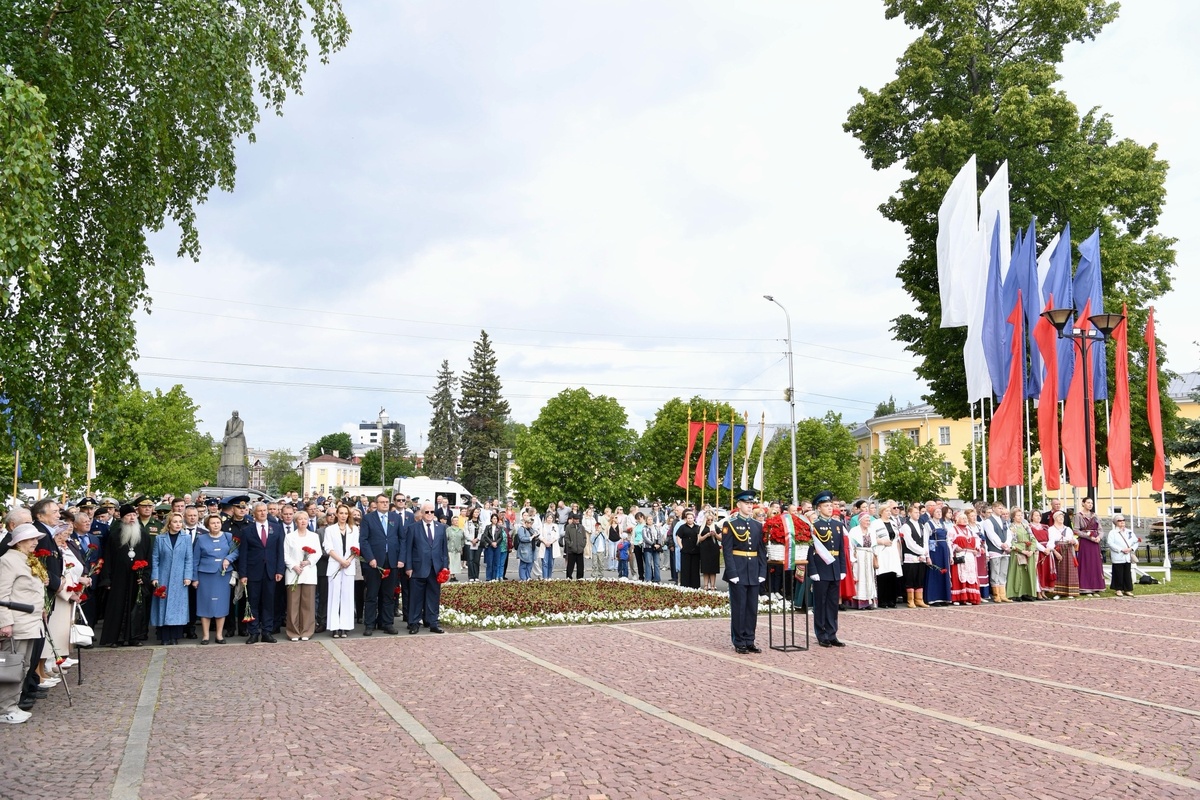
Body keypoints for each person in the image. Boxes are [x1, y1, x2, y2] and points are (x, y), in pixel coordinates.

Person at [0, 524, 47, 724]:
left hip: (31, 622)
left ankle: (13, 704)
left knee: (24, 666)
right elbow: (2, 594)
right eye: (31, 539)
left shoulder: (27, 559)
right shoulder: (8, 561)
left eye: (36, 539)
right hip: (17, 623)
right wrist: (5, 622)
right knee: (11, 667)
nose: (36, 542)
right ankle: (5, 709)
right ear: (19, 542)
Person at [99, 504, 153, 647]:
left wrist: (145, 576)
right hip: (119, 578)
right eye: (128, 516)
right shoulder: (114, 536)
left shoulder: (144, 536)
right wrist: (107, 579)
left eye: (134, 515)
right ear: (122, 518)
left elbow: (148, 558)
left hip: (137, 578)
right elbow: (108, 558)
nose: (132, 518)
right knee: (117, 607)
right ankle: (115, 638)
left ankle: (134, 637)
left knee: (136, 608)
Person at [721, 489, 767, 654]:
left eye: (751, 503)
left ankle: (749, 640)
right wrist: (732, 573)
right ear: (739, 505)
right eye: (746, 503)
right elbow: (727, 551)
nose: (749, 506)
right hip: (738, 570)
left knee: (751, 608)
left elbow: (761, 551)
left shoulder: (757, 525)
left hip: (753, 570)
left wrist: (762, 572)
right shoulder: (730, 524)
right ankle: (739, 641)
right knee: (739, 607)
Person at [239, 502, 285, 644]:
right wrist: (243, 574)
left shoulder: (276, 528)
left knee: (268, 603)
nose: (263, 513)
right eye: (260, 511)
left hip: (271, 572)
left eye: (265, 510)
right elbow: (243, 554)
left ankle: (267, 632)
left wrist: (280, 570)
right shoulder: (247, 530)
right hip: (253, 572)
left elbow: (280, 551)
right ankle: (253, 632)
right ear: (254, 513)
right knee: (253, 603)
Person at [808, 491, 848, 647]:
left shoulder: (838, 525)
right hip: (821, 569)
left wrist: (842, 569)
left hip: (834, 568)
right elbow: (810, 551)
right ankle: (821, 634)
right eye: (826, 506)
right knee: (820, 603)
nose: (830, 508)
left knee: (832, 603)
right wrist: (813, 571)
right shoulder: (814, 526)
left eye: (831, 505)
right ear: (819, 508)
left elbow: (841, 549)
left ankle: (832, 634)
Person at [402, 503, 448, 634]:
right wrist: (408, 567)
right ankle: (414, 623)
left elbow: (444, 550)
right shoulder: (413, 528)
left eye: (432, 512)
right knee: (416, 597)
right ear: (422, 513)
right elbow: (408, 549)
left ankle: (433, 623)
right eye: (427, 512)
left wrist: (445, 567)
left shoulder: (441, 528)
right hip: (418, 568)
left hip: (436, 568)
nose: (429, 514)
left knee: (433, 596)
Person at [359, 493, 401, 635]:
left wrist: (400, 559)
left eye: (386, 502)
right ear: (376, 504)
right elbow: (363, 540)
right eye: (382, 502)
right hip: (374, 563)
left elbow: (401, 539)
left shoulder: (395, 517)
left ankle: (387, 623)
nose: (384, 504)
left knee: (388, 595)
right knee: (372, 594)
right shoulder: (368, 518)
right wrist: (370, 558)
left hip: (391, 561)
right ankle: (369, 624)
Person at [150, 512, 194, 645]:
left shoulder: (186, 538)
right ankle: (164, 637)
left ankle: (175, 636)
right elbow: (155, 559)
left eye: (180, 522)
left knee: (177, 607)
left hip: (179, 578)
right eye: (175, 522)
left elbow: (189, 559)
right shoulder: (160, 538)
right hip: (163, 576)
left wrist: (188, 576)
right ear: (169, 524)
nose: (178, 524)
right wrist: (155, 577)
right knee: (162, 606)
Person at [191, 513, 234, 643]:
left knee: (221, 604)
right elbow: (195, 559)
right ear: (208, 525)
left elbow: (236, 551)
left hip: (223, 575)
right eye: (213, 523)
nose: (216, 525)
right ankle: (205, 635)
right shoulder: (201, 538)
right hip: (205, 575)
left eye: (218, 523)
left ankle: (219, 635)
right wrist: (194, 578)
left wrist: (228, 558)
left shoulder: (228, 536)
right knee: (205, 604)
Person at [283, 510, 320, 640]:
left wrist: (308, 561)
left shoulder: (314, 536)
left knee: (308, 604)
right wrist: (294, 566)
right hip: (293, 573)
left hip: (309, 572)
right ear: (295, 521)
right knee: (293, 604)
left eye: (305, 519)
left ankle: (306, 631)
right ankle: (293, 631)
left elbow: (318, 553)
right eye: (300, 519)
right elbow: (286, 554)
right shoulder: (289, 537)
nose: (303, 521)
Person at [324, 505, 359, 638]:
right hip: (335, 564)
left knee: (347, 596)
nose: (343, 516)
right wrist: (341, 560)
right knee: (334, 596)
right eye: (341, 513)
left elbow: (356, 547)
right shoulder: (330, 529)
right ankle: (334, 627)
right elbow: (328, 548)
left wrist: (348, 560)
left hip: (348, 565)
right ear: (337, 514)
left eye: (346, 513)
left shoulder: (353, 529)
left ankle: (345, 626)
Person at [869, 501, 903, 608]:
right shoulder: (876, 523)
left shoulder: (893, 523)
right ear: (881, 512)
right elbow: (872, 537)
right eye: (886, 511)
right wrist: (882, 541)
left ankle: (892, 600)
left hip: (892, 551)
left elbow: (897, 538)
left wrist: (899, 553)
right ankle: (883, 600)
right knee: (883, 575)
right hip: (882, 551)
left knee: (892, 575)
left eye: (889, 511)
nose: (889, 512)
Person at [900, 502, 931, 608]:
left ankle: (919, 599)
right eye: (915, 512)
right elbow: (910, 543)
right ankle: (910, 600)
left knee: (919, 578)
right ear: (909, 513)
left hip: (921, 556)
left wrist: (926, 554)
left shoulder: (922, 526)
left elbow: (925, 541)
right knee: (910, 578)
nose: (918, 514)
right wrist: (921, 551)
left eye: (918, 512)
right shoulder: (906, 526)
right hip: (911, 556)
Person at [983, 501, 1013, 603]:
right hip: (995, 549)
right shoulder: (988, 521)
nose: (1001, 510)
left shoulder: (1004, 521)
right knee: (995, 571)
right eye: (999, 508)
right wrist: (1001, 544)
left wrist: (1007, 544)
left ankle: (1003, 594)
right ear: (994, 508)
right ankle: (996, 594)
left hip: (1005, 550)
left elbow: (1008, 534)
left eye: (1002, 508)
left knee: (1003, 572)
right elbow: (991, 535)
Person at [950, 511, 982, 605]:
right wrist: (955, 547)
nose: (965, 520)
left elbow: (977, 540)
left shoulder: (969, 530)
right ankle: (958, 598)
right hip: (960, 555)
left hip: (970, 556)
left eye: (965, 518)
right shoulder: (953, 529)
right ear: (957, 519)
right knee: (960, 576)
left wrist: (976, 548)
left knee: (970, 575)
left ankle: (969, 597)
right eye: (963, 518)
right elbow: (949, 541)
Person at [1074, 497, 1105, 595]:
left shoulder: (1095, 516)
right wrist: (1089, 537)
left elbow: (1100, 529)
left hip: (1095, 543)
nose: (1090, 504)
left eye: (1091, 503)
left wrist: (1099, 537)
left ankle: (1096, 587)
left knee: (1095, 564)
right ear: (1083, 503)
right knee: (1086, 563)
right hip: (1085, 543)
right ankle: (1085, 588)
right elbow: (1076, 530)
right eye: (1088, 502)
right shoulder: (1078, 516)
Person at [1006, 508, 1038, 601]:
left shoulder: (1026, 526)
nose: (1020, 517)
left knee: (1028, 573)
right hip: (1017, 552)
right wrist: (1022, 551)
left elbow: (1033, 539)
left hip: (1028, 552)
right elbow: (1012, 541)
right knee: (1018, 573)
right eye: (1018, 515)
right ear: (1013, 517)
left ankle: (1027, 592)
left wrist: (1031, 550)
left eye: (1021, 515)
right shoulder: (1012, 527)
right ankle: (1016, 593)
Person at [924, 506, 953, 605]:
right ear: (932, 513)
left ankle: (944, 597)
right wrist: (927, 556)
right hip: (935, 550)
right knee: (935, 572)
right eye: (937, 512)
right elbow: (926, 540)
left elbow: (948, 540)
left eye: (940, 511)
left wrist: (951, 555)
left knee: (944, 572)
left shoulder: (943, 524)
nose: (939, 513)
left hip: (944, 550)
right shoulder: (928, 524)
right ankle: (934, 597)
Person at [848, 512, 876, 610]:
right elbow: (850, 546)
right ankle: (860, 602)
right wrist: (853, 557)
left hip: (869, 555)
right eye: (866, 520)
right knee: (860, 577)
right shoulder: (854, 531)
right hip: (859, 556)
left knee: (870, 578)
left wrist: (875, 556)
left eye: (869, 520)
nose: (868, 522)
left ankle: (869, 601)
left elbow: (874, 545)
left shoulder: (871, 531)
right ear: (860, 521)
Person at [1048, 510, 1079, 600]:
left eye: (1062, 517)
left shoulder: (1068, 529)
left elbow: (1074, 539)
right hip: (1058, 550)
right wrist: (1055, 552)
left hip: (1068, 550)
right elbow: (1050, 542)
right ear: (1055, 518)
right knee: (1059, 571)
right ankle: (1058, 592)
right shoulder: (1051, 529)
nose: (1061, 518)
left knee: (1070, 570)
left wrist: (1074, 541)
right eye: (1059, 517)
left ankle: (1070, 592)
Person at [1107, 513, 1139, 597]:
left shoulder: (1129, 532)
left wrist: (1131, 549)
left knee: (1127, 573)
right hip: (1118, 556)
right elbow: (1110, 543)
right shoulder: (1112, 532)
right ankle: (1118, 589)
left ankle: (1127, 589)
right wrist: (1121, 549)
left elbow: (1136, 542)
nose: (1122, 522)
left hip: (1127, 556)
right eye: (1119, 520)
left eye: (1123, 520)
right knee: (1118, 573)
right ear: (1115, 522)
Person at [1031, 510, 1057, 600]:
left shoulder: (1045, 527)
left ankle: (1044, 592)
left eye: (1039, 515)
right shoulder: (1029, 527)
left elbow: (1051, 539)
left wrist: (1049, 548)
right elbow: (1033, 540)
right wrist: (1043, 549)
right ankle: (1038, 592)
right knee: (1039, 572)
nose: (1038, 517)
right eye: (1036, 515)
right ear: (1031, 517)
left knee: (1046, 571)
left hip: (1047, 551)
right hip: (1038, 551)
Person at [676, 510, 701, 589]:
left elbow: (699, 537)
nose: (690, 520)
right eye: (688, 518)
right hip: (685, 551)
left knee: (695, 568)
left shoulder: (697, 527)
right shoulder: (682, 527)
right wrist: (681, 547)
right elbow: (678, 537)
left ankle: (695, 586)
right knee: (685, 568)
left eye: (691, 518)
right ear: (686, 519)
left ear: (694, 518)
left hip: (695, 551)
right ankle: (685, 585)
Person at [698, 511, 722, 591]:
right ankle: (705, 585)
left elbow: (721, 538)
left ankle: (712, 585)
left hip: (714, 549)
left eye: (711, 520)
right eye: (708, 520)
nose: (710, 521)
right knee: (705, 568)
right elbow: (699, 539)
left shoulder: (715, 527)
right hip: (704, 549)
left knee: (713, 568)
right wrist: (707, 535)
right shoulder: (701, 528)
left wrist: (715, 534)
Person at [563, 513, 586, 580]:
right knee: (570, 565)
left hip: (580, 549)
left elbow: (584, 537)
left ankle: (580, 577)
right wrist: (571, 544)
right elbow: (566, 538)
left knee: (580, 565)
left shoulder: (581, 527)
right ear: (572, 519)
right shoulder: (568, 527)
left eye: (578, 519)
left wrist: (582, 545)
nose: (577, 520)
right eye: (576, 519)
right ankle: (569, 577)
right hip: (572, 550)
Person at [515, 513, 536, 580]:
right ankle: (523, 578)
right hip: (524, 549)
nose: (531, 525)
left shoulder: (531, 529)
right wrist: (531, 538)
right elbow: (522, 538)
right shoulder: (521, 529)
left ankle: (528, 577)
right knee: (523, 564)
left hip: (531, 549)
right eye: (530, 523)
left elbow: (533, 535)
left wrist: (536, 537)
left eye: (531, 524)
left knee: (530, 564)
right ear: (526, 523)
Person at [464, 507, 482, 582]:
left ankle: (476, 576)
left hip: (478, 543)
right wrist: (472, 540)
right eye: (475, 512)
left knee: (476, 560)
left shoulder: (480, 523)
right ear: (472, 513)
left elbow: (482, 532)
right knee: (470, 560)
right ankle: (471, 576)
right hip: (469, 543)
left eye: (478, 512)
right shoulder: (468, 522)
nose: (476, 514)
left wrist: (477, 539)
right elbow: (466, 532)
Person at [539, 514, 559, 579]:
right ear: (546, 518)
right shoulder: (542, 526)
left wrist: (550, 542)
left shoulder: (555, 526)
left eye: (551, 518)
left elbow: (557, 535)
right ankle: (545, 577)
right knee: (545, 562)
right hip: (544, 545)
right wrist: (545, 542)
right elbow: (540, 535)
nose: (549, 519)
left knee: (551, 563)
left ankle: (549, 577)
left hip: (552, 545)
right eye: (548, 518)